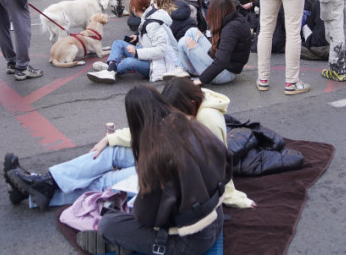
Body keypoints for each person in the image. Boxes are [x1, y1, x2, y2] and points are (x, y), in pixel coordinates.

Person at [4, 78, 252, 212]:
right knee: (110, 152)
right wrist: (111, 138)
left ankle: (34, 193)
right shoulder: (192, 108)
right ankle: (43, 182)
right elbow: (158, 132)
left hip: (178, 174)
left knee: (106, 181)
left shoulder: (208, 118)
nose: (171, 116)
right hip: (168, 157)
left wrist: (230, 196)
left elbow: (218, 165)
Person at [73, 85, 229, 255]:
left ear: (135, 120)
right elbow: (226, 167)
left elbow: (148, 218)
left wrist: (141, 201)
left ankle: (123, 245)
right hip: (217, 218)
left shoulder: (159, 153)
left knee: (107, 224)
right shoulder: (196, 126)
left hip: (191, 240)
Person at [87, 0, 183, 84]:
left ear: (134, 9)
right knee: (118, 43)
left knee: (128, 62)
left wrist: (137, 52)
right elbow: (152, 39)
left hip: (158, 64)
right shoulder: (149, 15)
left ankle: (111, 69)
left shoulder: (152, 24)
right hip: (151, 56)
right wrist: (138, 38)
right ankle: (111, 69)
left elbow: (161, 50)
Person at [176, 0, 252, 85]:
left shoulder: (231, 29)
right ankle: (182, 68)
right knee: (192, 31)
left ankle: (187, 70)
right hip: (226, 66)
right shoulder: (236, 18)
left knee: (183, 42)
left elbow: (221, 61)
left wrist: (200, 81)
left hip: (225, 74)